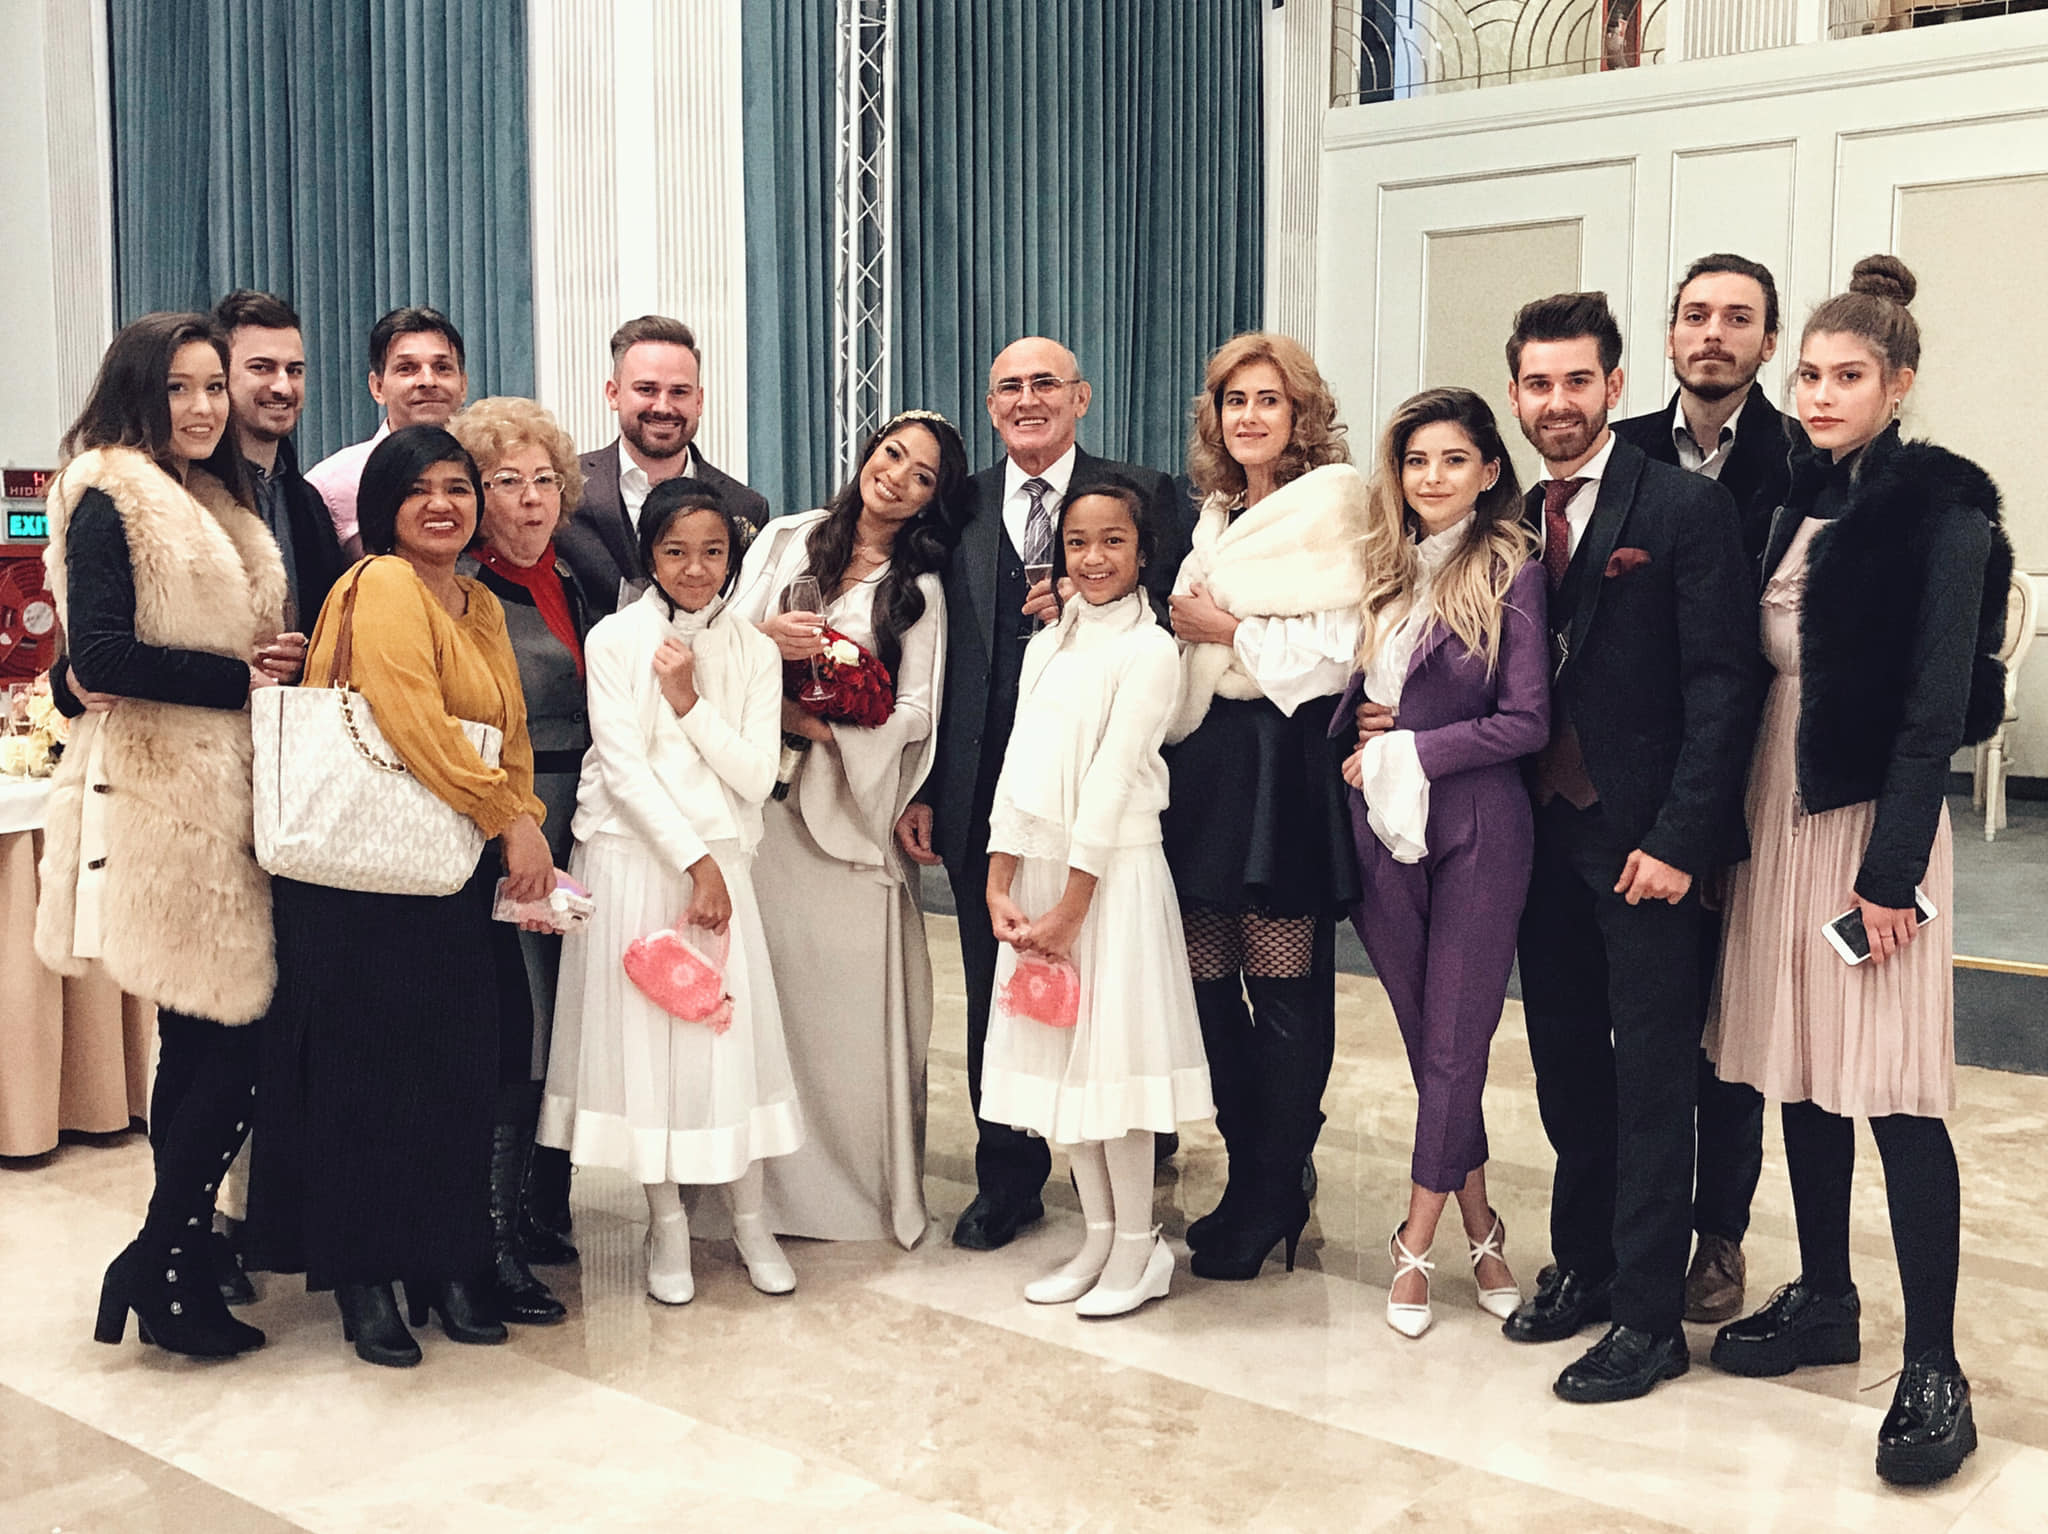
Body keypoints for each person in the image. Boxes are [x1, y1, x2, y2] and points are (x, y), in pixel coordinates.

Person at [1704, 256, 2009, 1488]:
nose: (1820, 395)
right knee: (1799, 1065)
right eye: (1808, 376)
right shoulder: (1794, 498)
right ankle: (1824, 1293)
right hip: (1775, 806)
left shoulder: (1942, 516)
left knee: (1890, 1088)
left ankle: (1934, 1362)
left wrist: (1887, 874)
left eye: (1846, 376)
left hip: (1868, 823)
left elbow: (1934, 710)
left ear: (1898, 382)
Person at [246, 426, 554, 1368]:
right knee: (365, 1084)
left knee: (451, 1076)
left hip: (444, 870)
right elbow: (409, 719)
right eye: (419, 489)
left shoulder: (479, 600)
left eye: (458, 487)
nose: (441, 505)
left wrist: (523, 814)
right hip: (356, 883)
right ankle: (366, 1279)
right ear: (384, 505)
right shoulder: (379, 583)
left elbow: (507, 728)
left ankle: (446, 1263)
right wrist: (506, 816)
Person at [1500, 292, 1756, 1404]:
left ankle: (1650, 1319)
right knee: (1565, 1064)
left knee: (1654, 1077)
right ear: (1516, 396)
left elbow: (1724, 685)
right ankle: (1586, 1262)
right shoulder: (1511, 517)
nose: (1555, 402)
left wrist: (1680, 839)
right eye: (1536, 384)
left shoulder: (1684, 508)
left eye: (1575, 381)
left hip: (1644, 843)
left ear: (1613, 385)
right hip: (1534, 839)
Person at [896, 334, 1185, 1255]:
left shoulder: (1145, 493)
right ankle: (1008, 1176)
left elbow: (1172, 623)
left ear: (1081, 397)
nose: (1027, 400)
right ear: (990, 407)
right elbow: (936, 654)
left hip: (1106, 793)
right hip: (992, 794)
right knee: (1001, 981)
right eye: (1008, 387)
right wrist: (928, 785)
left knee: (1112, 981)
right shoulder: (960, 500)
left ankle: (1130, 1153)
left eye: (1045, 384)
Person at [37, 312, 286, 1358]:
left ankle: (170, 1256)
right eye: (180, 387)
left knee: (204, 1039)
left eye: (212, 386)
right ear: (140, 391)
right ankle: (163, 1257)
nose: (203, 406)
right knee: (229, 1038)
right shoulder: (111, 490)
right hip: (164, 805)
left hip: (227, 800)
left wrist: (264, 667)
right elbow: (99, 656)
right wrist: (243, 679)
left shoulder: (215, 499)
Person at [540, 479, 803, 1303]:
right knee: (646, 1046)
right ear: (649, 555)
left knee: (726, 1041)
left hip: (723, 858)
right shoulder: (616, 638)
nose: (696, 569)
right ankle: (667, 1226)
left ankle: (750, 1220)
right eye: (676, 552)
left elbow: (756, 775)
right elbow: (622, 769)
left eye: (713, 552)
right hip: (636, 859)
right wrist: (694, 865)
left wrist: (688, 703)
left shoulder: (754, 650)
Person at [1613, 253, 1805, 1327]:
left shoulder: (1801, 458)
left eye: (1738, 318)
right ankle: (1628, 1227)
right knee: (1643, 1030)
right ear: (1670, 334)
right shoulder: (1623, 451)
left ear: (1767, 342)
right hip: (1640, 785)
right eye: (1695, 315)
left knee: (1725, 1035)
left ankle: (1717, 1234)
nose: (1713, 334)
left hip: (1758, 770)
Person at [1334, 388, 1548, 1337]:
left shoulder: (1513, 571)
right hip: (1376, 822)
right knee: (1431, 1038)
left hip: (1478, 826)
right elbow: (1351, 689)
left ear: (1490, 471)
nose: (1432, 477)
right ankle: (1482, 1222)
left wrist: (1413, 745)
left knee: (1459, 1039)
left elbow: (1526, 721)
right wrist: (1361, 722)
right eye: (1417, 461)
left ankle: (1415, 1240)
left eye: (1454, 459)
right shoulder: (1378, 569)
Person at [734, 409, 967, 1248]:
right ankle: (757, 1198)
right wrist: (765, 647)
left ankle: (857, 1195)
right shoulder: (786, 539)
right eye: (891, 454)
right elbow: (718, 640)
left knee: (848, 1020)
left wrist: (836, 726)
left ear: (933, 500)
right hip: (764, 813)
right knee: (772, 1004)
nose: (896, 477)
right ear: (868, 452)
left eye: (921, 475)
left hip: (848, 816)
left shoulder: (921, 588)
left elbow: (920, 709)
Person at [1163, 331, 1368, 1284]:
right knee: (1206, 988)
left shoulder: (1336, 504)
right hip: (1203, 764)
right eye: (1234, 400)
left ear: (1302, 413)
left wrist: (1229, 627)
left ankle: (1271, 1187)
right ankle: (1260, 1173)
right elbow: (1179, 629)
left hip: (1282, 762)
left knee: (1283, 992)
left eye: (1269, 399)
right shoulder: (1214, 514)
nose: (1249, 416)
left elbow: (1336, 652)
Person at [982, 480, 1213, 1316]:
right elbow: (1019, 761)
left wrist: (1074, 905)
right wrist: (1000, 878)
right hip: (1045, 871)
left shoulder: (1149, 650)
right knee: (1062, 1069)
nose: (1093, 557)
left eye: (1113, 540)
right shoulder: (1048, 643)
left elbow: (1114, 780)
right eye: (1077, 542)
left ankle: (1139, 1248)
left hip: (1110, 878)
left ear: (1143, 552)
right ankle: (1098, 1237)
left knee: (1114, 1067)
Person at [450, 396, 599, 1321]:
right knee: (519, 1028)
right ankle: (491, 1240)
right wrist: (512, 822)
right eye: (507, 482)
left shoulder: (569, 578)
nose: (532, 499)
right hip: (511, 825)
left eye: (545, 480)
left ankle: (542, 1209)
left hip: (581, 816)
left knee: (563, 1021)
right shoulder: (464, 593)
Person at [562, 316, 770, 611]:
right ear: (613, 394)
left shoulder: (746, 508)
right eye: (647, 389)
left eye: (679, 392)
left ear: (699, 401)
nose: (663, 406)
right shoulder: (562, 492)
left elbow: (748, 615)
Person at [213, 289, 352, 637]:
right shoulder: (188, 494)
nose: (283, 387)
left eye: (294, 370)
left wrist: (302, 656)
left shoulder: (310, 503)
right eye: (262, 368)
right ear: (220, 377)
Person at [305, 306, 469, 553]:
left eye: (442, 368)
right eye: (407, 368)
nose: (428, 381)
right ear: (378, 387)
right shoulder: (330, 487)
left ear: (463, 385)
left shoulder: (490, 470)